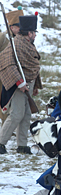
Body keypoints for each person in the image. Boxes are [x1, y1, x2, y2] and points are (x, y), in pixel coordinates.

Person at [0, 13, 42, 154]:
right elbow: (7, 63)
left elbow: (34, 65)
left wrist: (35, 85)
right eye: (34, 33)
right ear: (29, 33)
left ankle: (22, 145)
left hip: (28, 85)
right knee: (16, 114)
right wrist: (19, 82)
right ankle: (1, 142)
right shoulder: (15, 43)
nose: (35, 35)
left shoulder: (28, 44)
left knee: (26, 115)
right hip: (19, 85)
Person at [0, 6, 24, 127]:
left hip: (16, 76)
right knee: (4, 103)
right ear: (11, 27)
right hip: (2, 75)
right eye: (18, 26)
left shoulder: (22, 39)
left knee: (13, 105)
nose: (21, 29)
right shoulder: (3, 38)